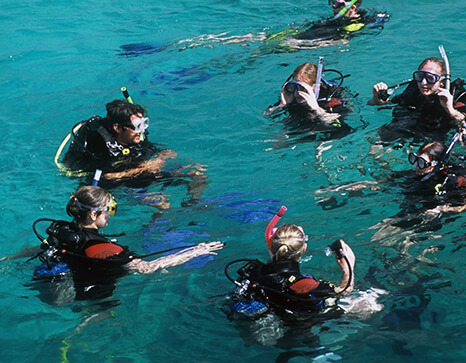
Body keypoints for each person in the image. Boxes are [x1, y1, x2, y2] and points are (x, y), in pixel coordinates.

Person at [32, 186, 224, 302]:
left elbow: (39, 248)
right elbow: (147, 268)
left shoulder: (62, 231)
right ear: (93, 214)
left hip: (50, 286)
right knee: (108, 312)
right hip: (88, 297)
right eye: (110, 210)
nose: (110, 216)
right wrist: (196, 251)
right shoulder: (105, 248)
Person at [58, 98, 207, 206]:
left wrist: (162, 155)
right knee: (161, 202)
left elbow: (149, 150)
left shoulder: (134, 137)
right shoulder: (101, 148)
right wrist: (145, 168)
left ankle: (193, 205)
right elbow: (108, 178)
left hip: (138, 171)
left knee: (197, 172)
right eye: (136, 126)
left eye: (143, 124)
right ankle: (158, 225)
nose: (141, 131)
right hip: (119, 185)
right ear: (118, 128)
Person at [229, 220, 355, 317]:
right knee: (366, 301)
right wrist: (348, 270)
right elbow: (343, 291)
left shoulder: (252, 270)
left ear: (270, 247)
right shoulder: (304, 284)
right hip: (298, 332)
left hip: (266, 316)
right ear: (304, 249)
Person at [368, 56, 466, 142]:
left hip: (434, 132)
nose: (423, 83)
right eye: (420, 76)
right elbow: (380, 104)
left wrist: (450, 109)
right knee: (374, 140)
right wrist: (376, 97)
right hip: (408, 125)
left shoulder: (455, 94)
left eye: (430, 78)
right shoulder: (414, 89)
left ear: (442, 81)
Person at [264, 0, 390, 51]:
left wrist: (299, 44)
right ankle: (260, 37)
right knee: (273, 37)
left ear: (352, 8)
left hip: (319, 39)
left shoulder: (356, 25)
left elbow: (342, 41)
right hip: (320, 31)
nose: (332, 7)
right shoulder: (336, 17)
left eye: (337, 4)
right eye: (332, 2)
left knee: (274, 48)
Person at [263, 61, 351, 128]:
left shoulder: (330, 95)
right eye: (295, 86)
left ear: (314, 88)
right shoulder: (292, 94)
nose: (298, 92)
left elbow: (333, 123)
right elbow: (265, 115)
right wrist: (281, 105)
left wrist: (317, 108)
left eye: (303, 88)